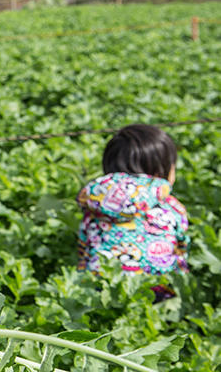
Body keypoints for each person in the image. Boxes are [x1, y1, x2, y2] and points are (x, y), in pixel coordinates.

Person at [76, 124, 189, 297]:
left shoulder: (95, 203)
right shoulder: (173, 207)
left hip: (103, 291)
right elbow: (181, 248)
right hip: (158, 291)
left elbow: (84, 246)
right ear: (163, 171)